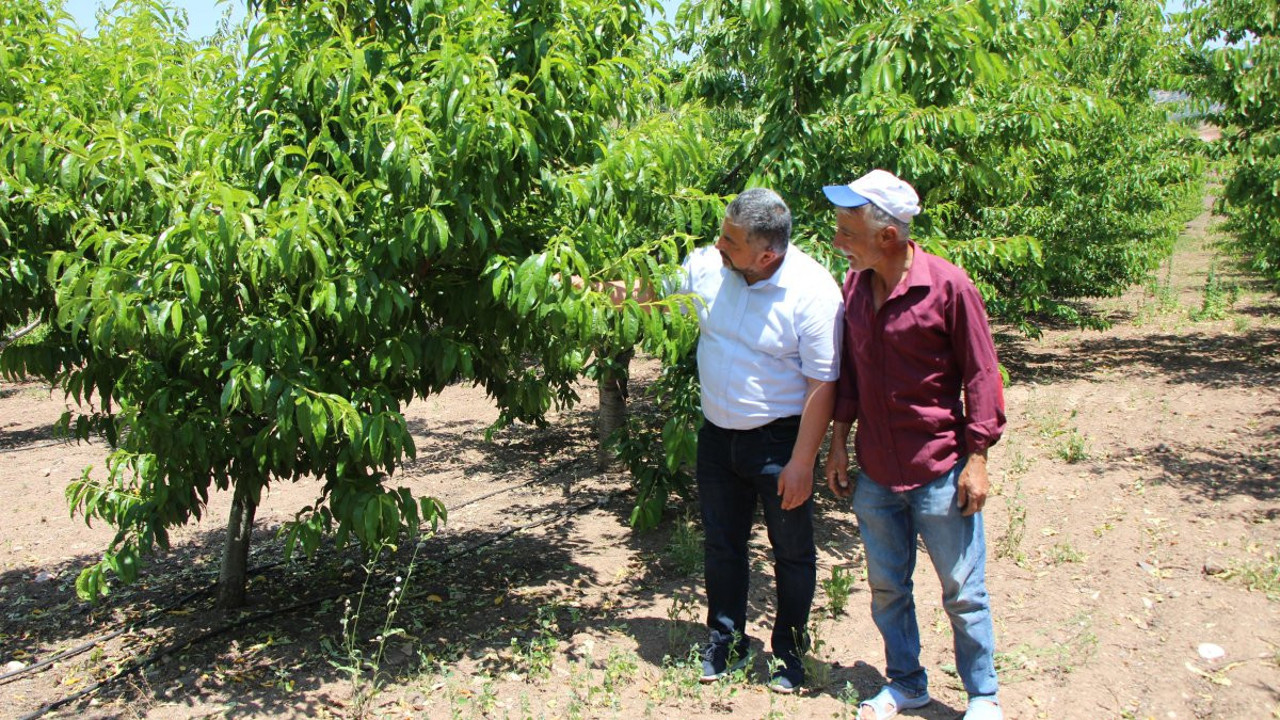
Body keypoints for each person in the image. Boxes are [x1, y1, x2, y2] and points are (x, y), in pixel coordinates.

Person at [821, 170, 1006, 720]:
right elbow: (850, 373)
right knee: (886, 588)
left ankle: (982, 696)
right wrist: (839, 442)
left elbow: (981, 374)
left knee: (962, 591)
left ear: (888, 236)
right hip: (877, 470)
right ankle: (906, 683)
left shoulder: (948, 286)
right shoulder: (855, 287)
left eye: (847, 231)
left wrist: (978, 457)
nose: (837, 240)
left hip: (939, 468)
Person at [663, 187, 843, 694]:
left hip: (779, 440)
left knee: (790, 550)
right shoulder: (709, 265)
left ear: (768, 254)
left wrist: (803, 460)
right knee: (723, 544)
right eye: (722, 233)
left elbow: (822, 383)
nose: (718, 245)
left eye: (731, 240)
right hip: (718, 436)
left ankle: (788, 651)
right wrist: (581, 289)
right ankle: (725, 640)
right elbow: (651, 293)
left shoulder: (811, 291)